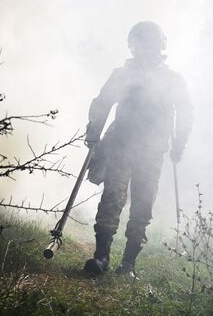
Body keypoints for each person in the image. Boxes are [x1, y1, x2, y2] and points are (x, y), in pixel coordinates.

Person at [83, 21, 193, 277]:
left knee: (143, 205)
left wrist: (180, 142)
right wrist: (93, 131)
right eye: (137, 43)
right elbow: (103, 102)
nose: (141, 49)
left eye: (147, 43)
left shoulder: (172, 80)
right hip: (122, 145)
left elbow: (186, 112)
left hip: (153, 151)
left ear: (158, 46)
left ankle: (128, 265)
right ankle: (101, 257)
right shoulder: (122, 74)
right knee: (112, 199)